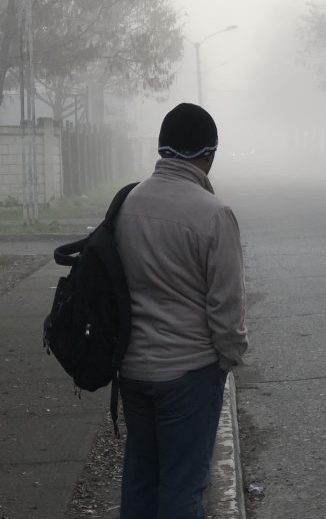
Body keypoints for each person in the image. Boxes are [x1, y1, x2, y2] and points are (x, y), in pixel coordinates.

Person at [115, 103, 248, 519]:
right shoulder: (214, 214)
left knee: (141, 479)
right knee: (182, 485)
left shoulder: (128, 203)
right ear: (208, 154)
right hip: (189, 374)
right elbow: (226, 307)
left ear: (161, 149)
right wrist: (229, 358)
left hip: (133, 370)